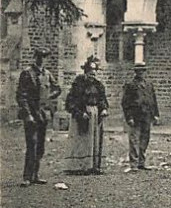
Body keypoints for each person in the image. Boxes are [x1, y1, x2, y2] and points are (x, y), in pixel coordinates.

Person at [16, 47, 61, 187]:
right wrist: (28, 114)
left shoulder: (47, 74)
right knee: (32, 144)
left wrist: (48, 99)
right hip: (31, 113)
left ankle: (36, 175)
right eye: (39, 56)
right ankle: (27, 177)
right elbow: (21, 96)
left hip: (43, 113)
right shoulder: (27, 74)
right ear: (35, 57)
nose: (42, 59)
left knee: (40, 145)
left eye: (45, 57)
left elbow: (58, 88)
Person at [65, 56, 108, 174]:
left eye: (94, 70)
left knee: (94, 139)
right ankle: (79, 166)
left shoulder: (98, 85)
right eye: (90, 70)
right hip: (82, 114)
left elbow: (102, 99)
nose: (92, 73)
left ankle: (93, 166)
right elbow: (71, 102)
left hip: (95, 114)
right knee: (82, 139)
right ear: (86, 71)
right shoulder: (78, 84)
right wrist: (80, 112)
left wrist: (103, 109)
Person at [121, 62, 160, 171]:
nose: (141, 73)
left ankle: (141, 162)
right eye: (139, 71)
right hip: (135, 116)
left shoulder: (149, 84)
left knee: (145, 139)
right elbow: (125, 103)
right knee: (134, 140)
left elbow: (153, 100)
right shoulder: (130, 85)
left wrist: (156, 114)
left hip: (147, 115)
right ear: (135, 72)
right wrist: (129, 117)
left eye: (143, 71)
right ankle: (133, 163)